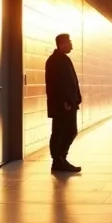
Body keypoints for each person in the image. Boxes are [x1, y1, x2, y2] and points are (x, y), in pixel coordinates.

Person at [45, 33, 83, 172]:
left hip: (69, 103)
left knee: (70, 131)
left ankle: (61, 158)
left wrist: (76, 98)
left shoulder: (64, 59)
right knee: (60, 132)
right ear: (62, 44)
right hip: (62, 105)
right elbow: (56, 85)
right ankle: (58, 160)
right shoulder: (54, 61)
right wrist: (64, 102)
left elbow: (71, 81)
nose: (71, 45)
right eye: (69, 42)